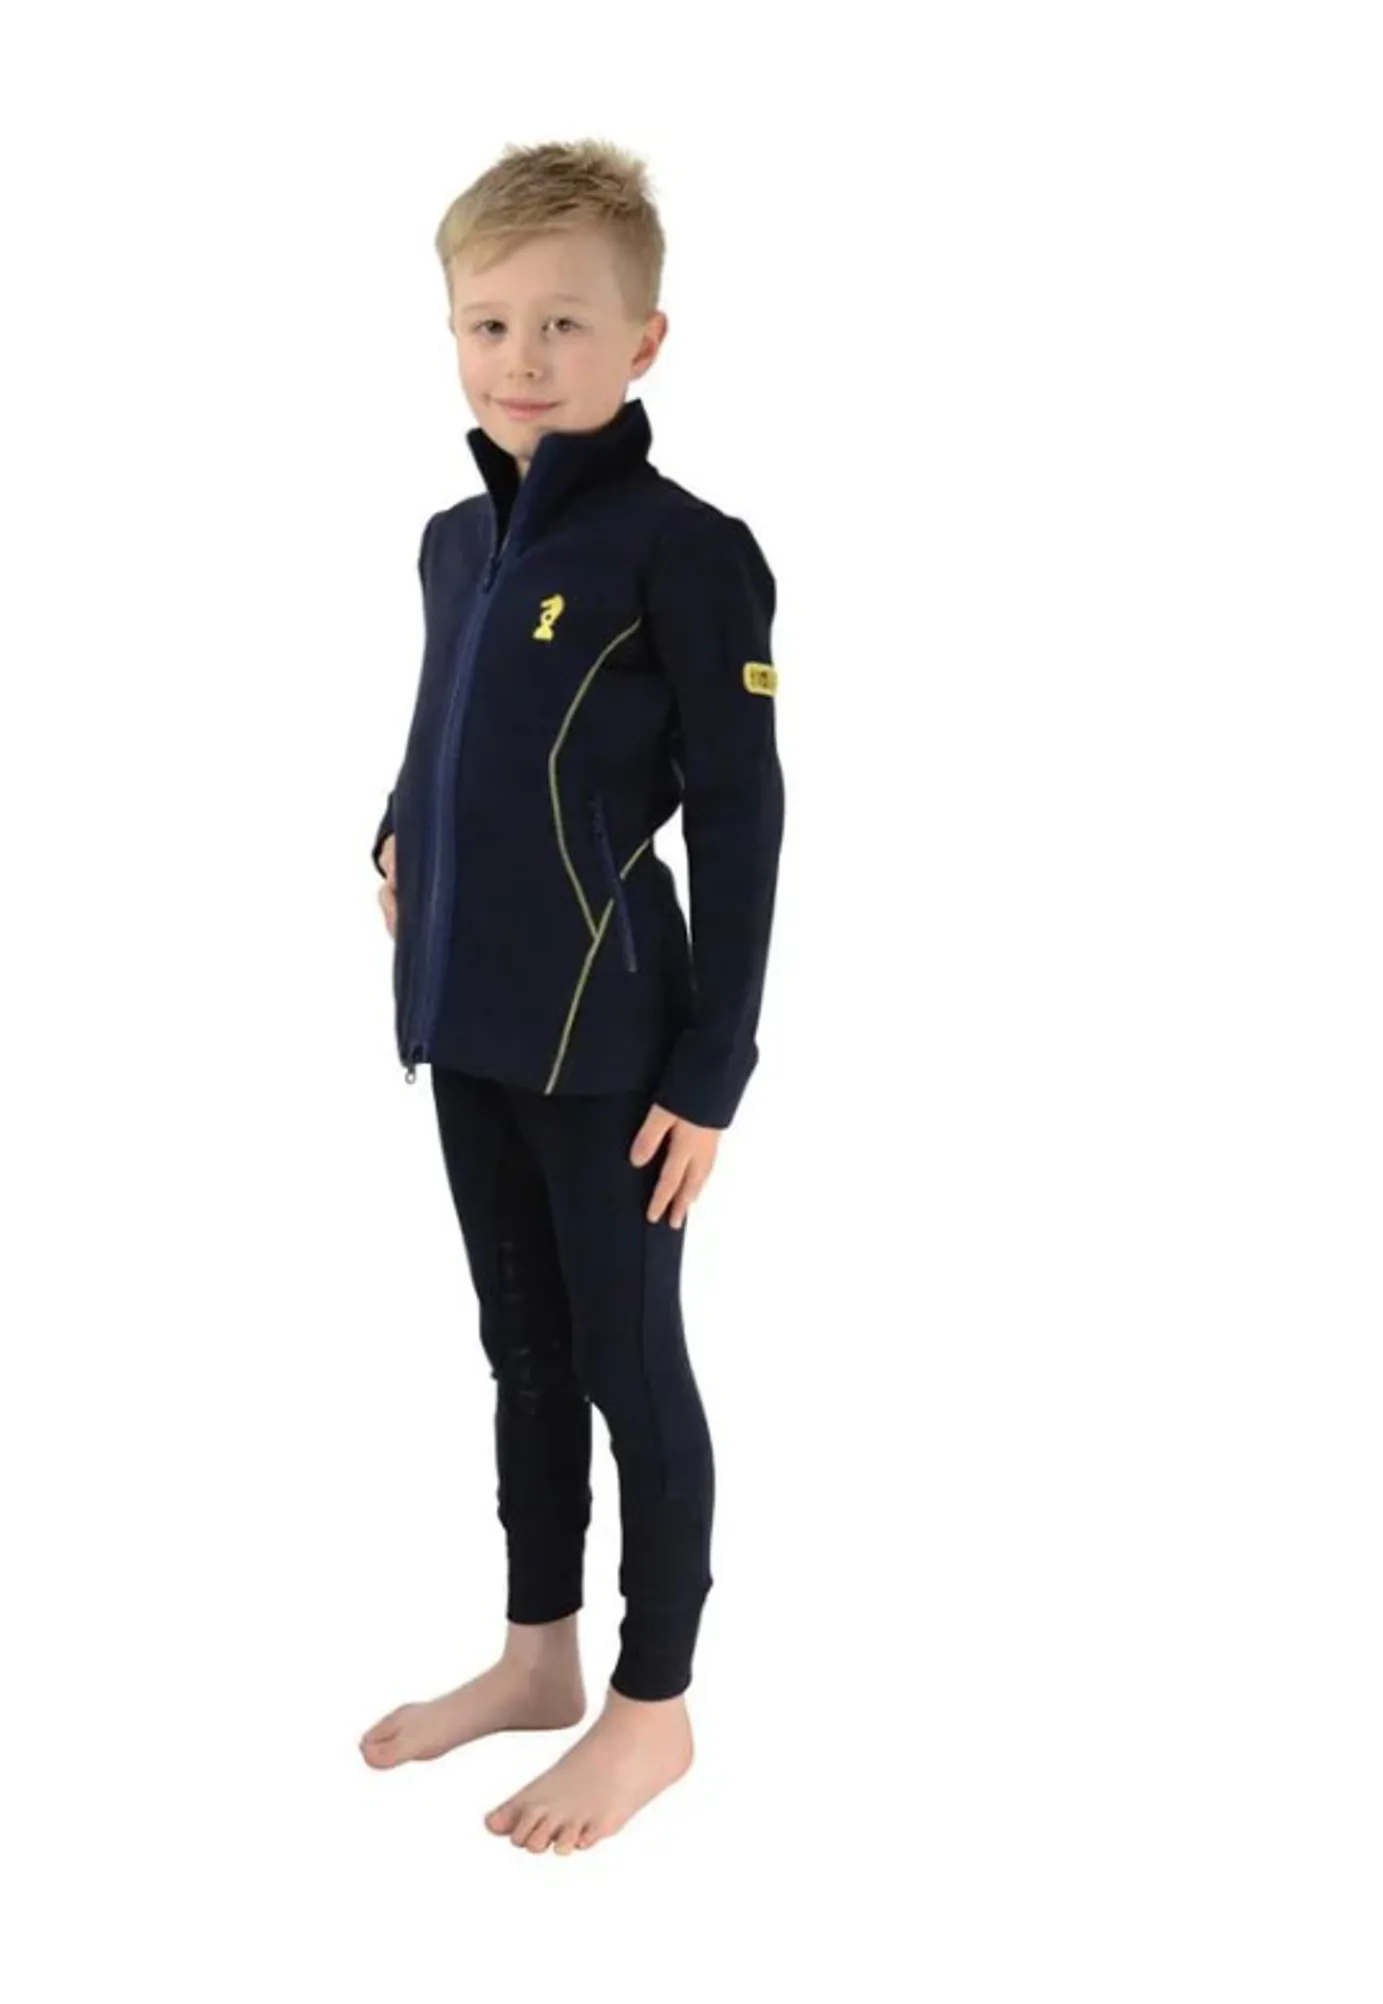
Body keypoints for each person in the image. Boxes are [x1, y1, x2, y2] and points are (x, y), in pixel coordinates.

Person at [357, 139, 786, 1856]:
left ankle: (652, 1707)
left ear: (643, 341)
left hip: (614, 1046)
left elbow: (744, 820)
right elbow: (447, 730)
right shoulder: (455, 542)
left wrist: (712, 1069)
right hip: (463, 1020)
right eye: (489, 324)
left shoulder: (689, 551)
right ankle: (538, 1655)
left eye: (562, 324)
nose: (521, 359)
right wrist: (394, 835)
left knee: (626, 1359)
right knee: (520, 1350)